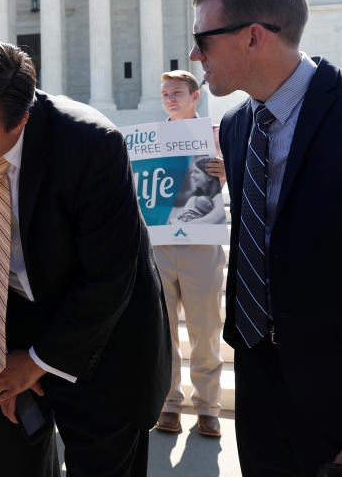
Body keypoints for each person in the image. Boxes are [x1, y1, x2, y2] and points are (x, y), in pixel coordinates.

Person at [0, 40, 169, 477]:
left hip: (103, 341)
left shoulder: (91, 144)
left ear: (20, 121)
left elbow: (110, 276)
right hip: (7, 332)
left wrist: (39, 362)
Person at [191, 0, 342, 476]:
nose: (194, 56)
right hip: (257, 384)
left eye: (203, 40)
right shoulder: (233, 125)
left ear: (253, 37)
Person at [153, 70, 227, 438]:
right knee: (162, 330)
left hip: (202, 243)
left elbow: (244, 179)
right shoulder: (149, 140)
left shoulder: (218, 135)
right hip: (160, 245)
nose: (170, 98)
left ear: (195, 96)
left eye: (177, 92)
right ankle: (169, 403)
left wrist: (226, 173)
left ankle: (208, 408)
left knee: (206, 328)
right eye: (165, 93)